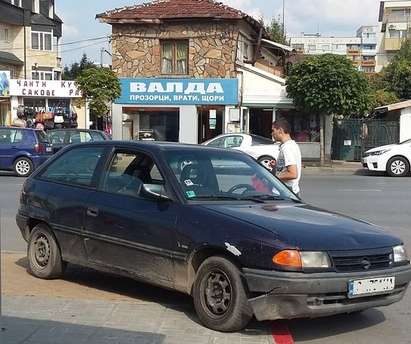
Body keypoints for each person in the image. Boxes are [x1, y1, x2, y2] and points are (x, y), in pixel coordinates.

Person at [270, 119, 302, 197]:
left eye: (273, 130)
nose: (272, 133)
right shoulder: (291, 145)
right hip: (289, 191)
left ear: (280, 130)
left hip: (285, 193)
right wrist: (276, 166)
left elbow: (293, 174)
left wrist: (273, 178)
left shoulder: (287, 148)